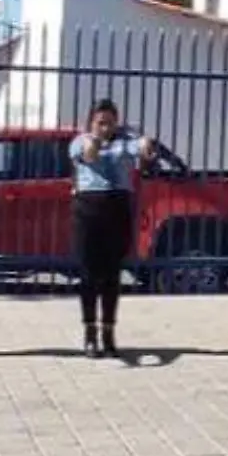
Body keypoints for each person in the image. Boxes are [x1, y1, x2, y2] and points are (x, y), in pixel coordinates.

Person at [69, 100, 154, 358]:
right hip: (88, 210)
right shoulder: (80, 140)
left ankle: (108, 332)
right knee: (88, 274)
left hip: (117, 208)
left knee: (112, 274)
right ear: (91, 122)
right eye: (100, 122)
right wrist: (95, 140)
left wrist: (145, 146)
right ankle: (90, 334)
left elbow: (142, 151)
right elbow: (89, 154)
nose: (106, 127)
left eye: (110, 122)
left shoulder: (124, 141)